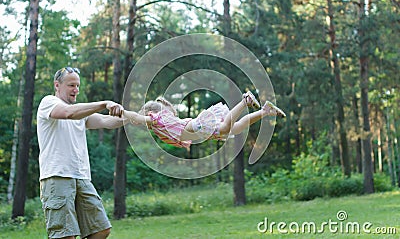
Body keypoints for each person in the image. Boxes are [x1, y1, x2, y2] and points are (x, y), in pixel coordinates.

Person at [37, 66, 125, 239]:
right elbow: (68, 113)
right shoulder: (49, 103)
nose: (76, 90)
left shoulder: (80, 113)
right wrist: (104, 103)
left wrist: (140, 117)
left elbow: (108, 121)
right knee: (65, 235)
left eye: (77, 85)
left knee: (101, 229)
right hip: (57, 177)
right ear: (57, 85)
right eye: (71, 85)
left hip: (81, 177)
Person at [123, 91, 285, 150]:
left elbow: (137, 118)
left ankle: (245, 101)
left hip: (195, 127)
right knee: (236, 128)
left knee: (224, 128)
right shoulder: (162, 123)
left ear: (150, 112)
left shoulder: (156, 119)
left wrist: (124, 113)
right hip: (198, 131)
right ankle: (265, 111)